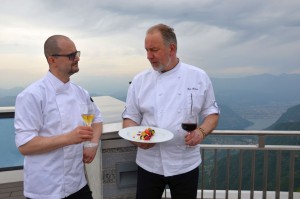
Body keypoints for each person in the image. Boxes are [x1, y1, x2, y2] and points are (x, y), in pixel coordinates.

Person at [122, 24, 219, 199]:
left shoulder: (198, 77)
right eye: (147, 50)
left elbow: (212, 113)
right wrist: (137, 139)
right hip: (148, 163)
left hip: (185, 163)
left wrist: (201, 132)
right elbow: (130, 118)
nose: (149, 56)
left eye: (154, 50)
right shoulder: (139, 81)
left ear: (171, 48)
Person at [14, 35, 103, 199]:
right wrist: (69, 138)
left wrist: (92, 144)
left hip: (77, 183)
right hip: (45, 189)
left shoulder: (80, 93)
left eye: (77, 53)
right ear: (52, 60)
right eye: (71, 55)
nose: (77, 58)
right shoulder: (31, 96)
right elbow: (25, 145)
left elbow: (96, 118)